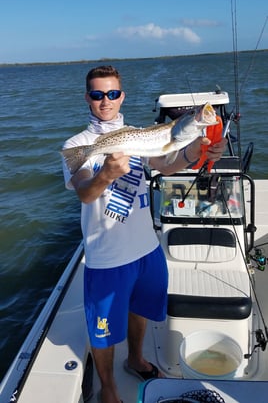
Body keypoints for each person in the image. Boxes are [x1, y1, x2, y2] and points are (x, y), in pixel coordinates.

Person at [62, 65, 227, 403]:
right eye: (97, 94)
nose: (105, 101)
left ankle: (135, 358)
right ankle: (108, 388)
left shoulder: (138, 134)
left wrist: (196, 154)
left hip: (147, 249)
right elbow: (84, 193)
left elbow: (166, 165)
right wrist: (105, 174)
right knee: (104, 332)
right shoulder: (77, 145)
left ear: (121, 96)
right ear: (87, 98)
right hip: (107, 257)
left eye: (111, 93)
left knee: (140, 310)